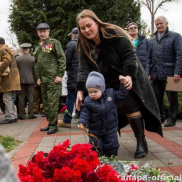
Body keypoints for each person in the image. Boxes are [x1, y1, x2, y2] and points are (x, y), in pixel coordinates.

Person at [76, 10, 163, 159]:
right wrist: (80, 90)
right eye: (82, 28)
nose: (86, 30)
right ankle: (107, 143)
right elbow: (84, 68)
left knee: (131, 106)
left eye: (89, 25)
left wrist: (129, 75)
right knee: (108, 109)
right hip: (105, 81)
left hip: (125, 76)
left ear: (97, 22)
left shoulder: (113, 33)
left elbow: (130, 56)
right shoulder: (84, 43)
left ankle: (141, 141)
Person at [78, 72, 129, 156]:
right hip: (95, 130)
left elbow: (122, 95)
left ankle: (110, 158)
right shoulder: (87, 101)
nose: (93, 94)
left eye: (95, 91)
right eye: (90, 92)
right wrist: (82, 122)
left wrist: (123, 84)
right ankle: (98, 160)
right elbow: (85, 113)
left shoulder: (111, 94)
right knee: (95, 146)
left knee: (112, 145)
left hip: (110, 128)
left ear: (102, 88)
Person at [146, 16, 182, 127]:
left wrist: (178, 72)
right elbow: (148, 58)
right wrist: (148, 73)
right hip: (156, 74)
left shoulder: (175, 37)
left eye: (161, 23)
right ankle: (160, 116)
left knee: (172, 98)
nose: (159, 26)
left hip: (172, 73)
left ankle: (172, 118)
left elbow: (180, 55)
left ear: (166, 23)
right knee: (157, 97)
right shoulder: (152, 39)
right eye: (157, 24)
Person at [35, 23, 66, 134]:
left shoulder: (54, 43)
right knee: (46, 104)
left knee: (53, 103)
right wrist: (38, 78)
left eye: (44, 31)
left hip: (53, 79)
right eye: (40, 31)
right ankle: (50, 123)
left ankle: (54, 125)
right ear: (38, 33)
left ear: (48, 32)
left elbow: (62, 59)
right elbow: (37, 63)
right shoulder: (39, 46)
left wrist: (60, 75)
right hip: (43, 80)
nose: (42, 33)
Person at [0, 37, 21, 124]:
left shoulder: (3, 49)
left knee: (6, 98)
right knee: (9, 98)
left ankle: (10, 116)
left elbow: (7, 60)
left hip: (8, 78)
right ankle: (13, 116)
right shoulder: (7, 48)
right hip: (12, 78)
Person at [58, 27, 79, 128]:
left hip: (74, 76)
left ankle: (67, 120)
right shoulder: (88, 43)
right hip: (86, 76)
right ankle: (86, 121)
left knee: (71, 98)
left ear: (74, 35)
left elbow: (66, 61)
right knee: (85, 98)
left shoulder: (71, 44)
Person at [16, 43, 37, 119]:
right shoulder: (32, 58)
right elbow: (34, 71)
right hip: (30, 80)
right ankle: (31, 114)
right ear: (28, 50)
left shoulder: (18, 59)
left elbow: (16, 71)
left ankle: (22, 115)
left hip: (20, 81)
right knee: (30, 98)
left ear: (22, 50)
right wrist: (35, 80)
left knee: (21, 98)